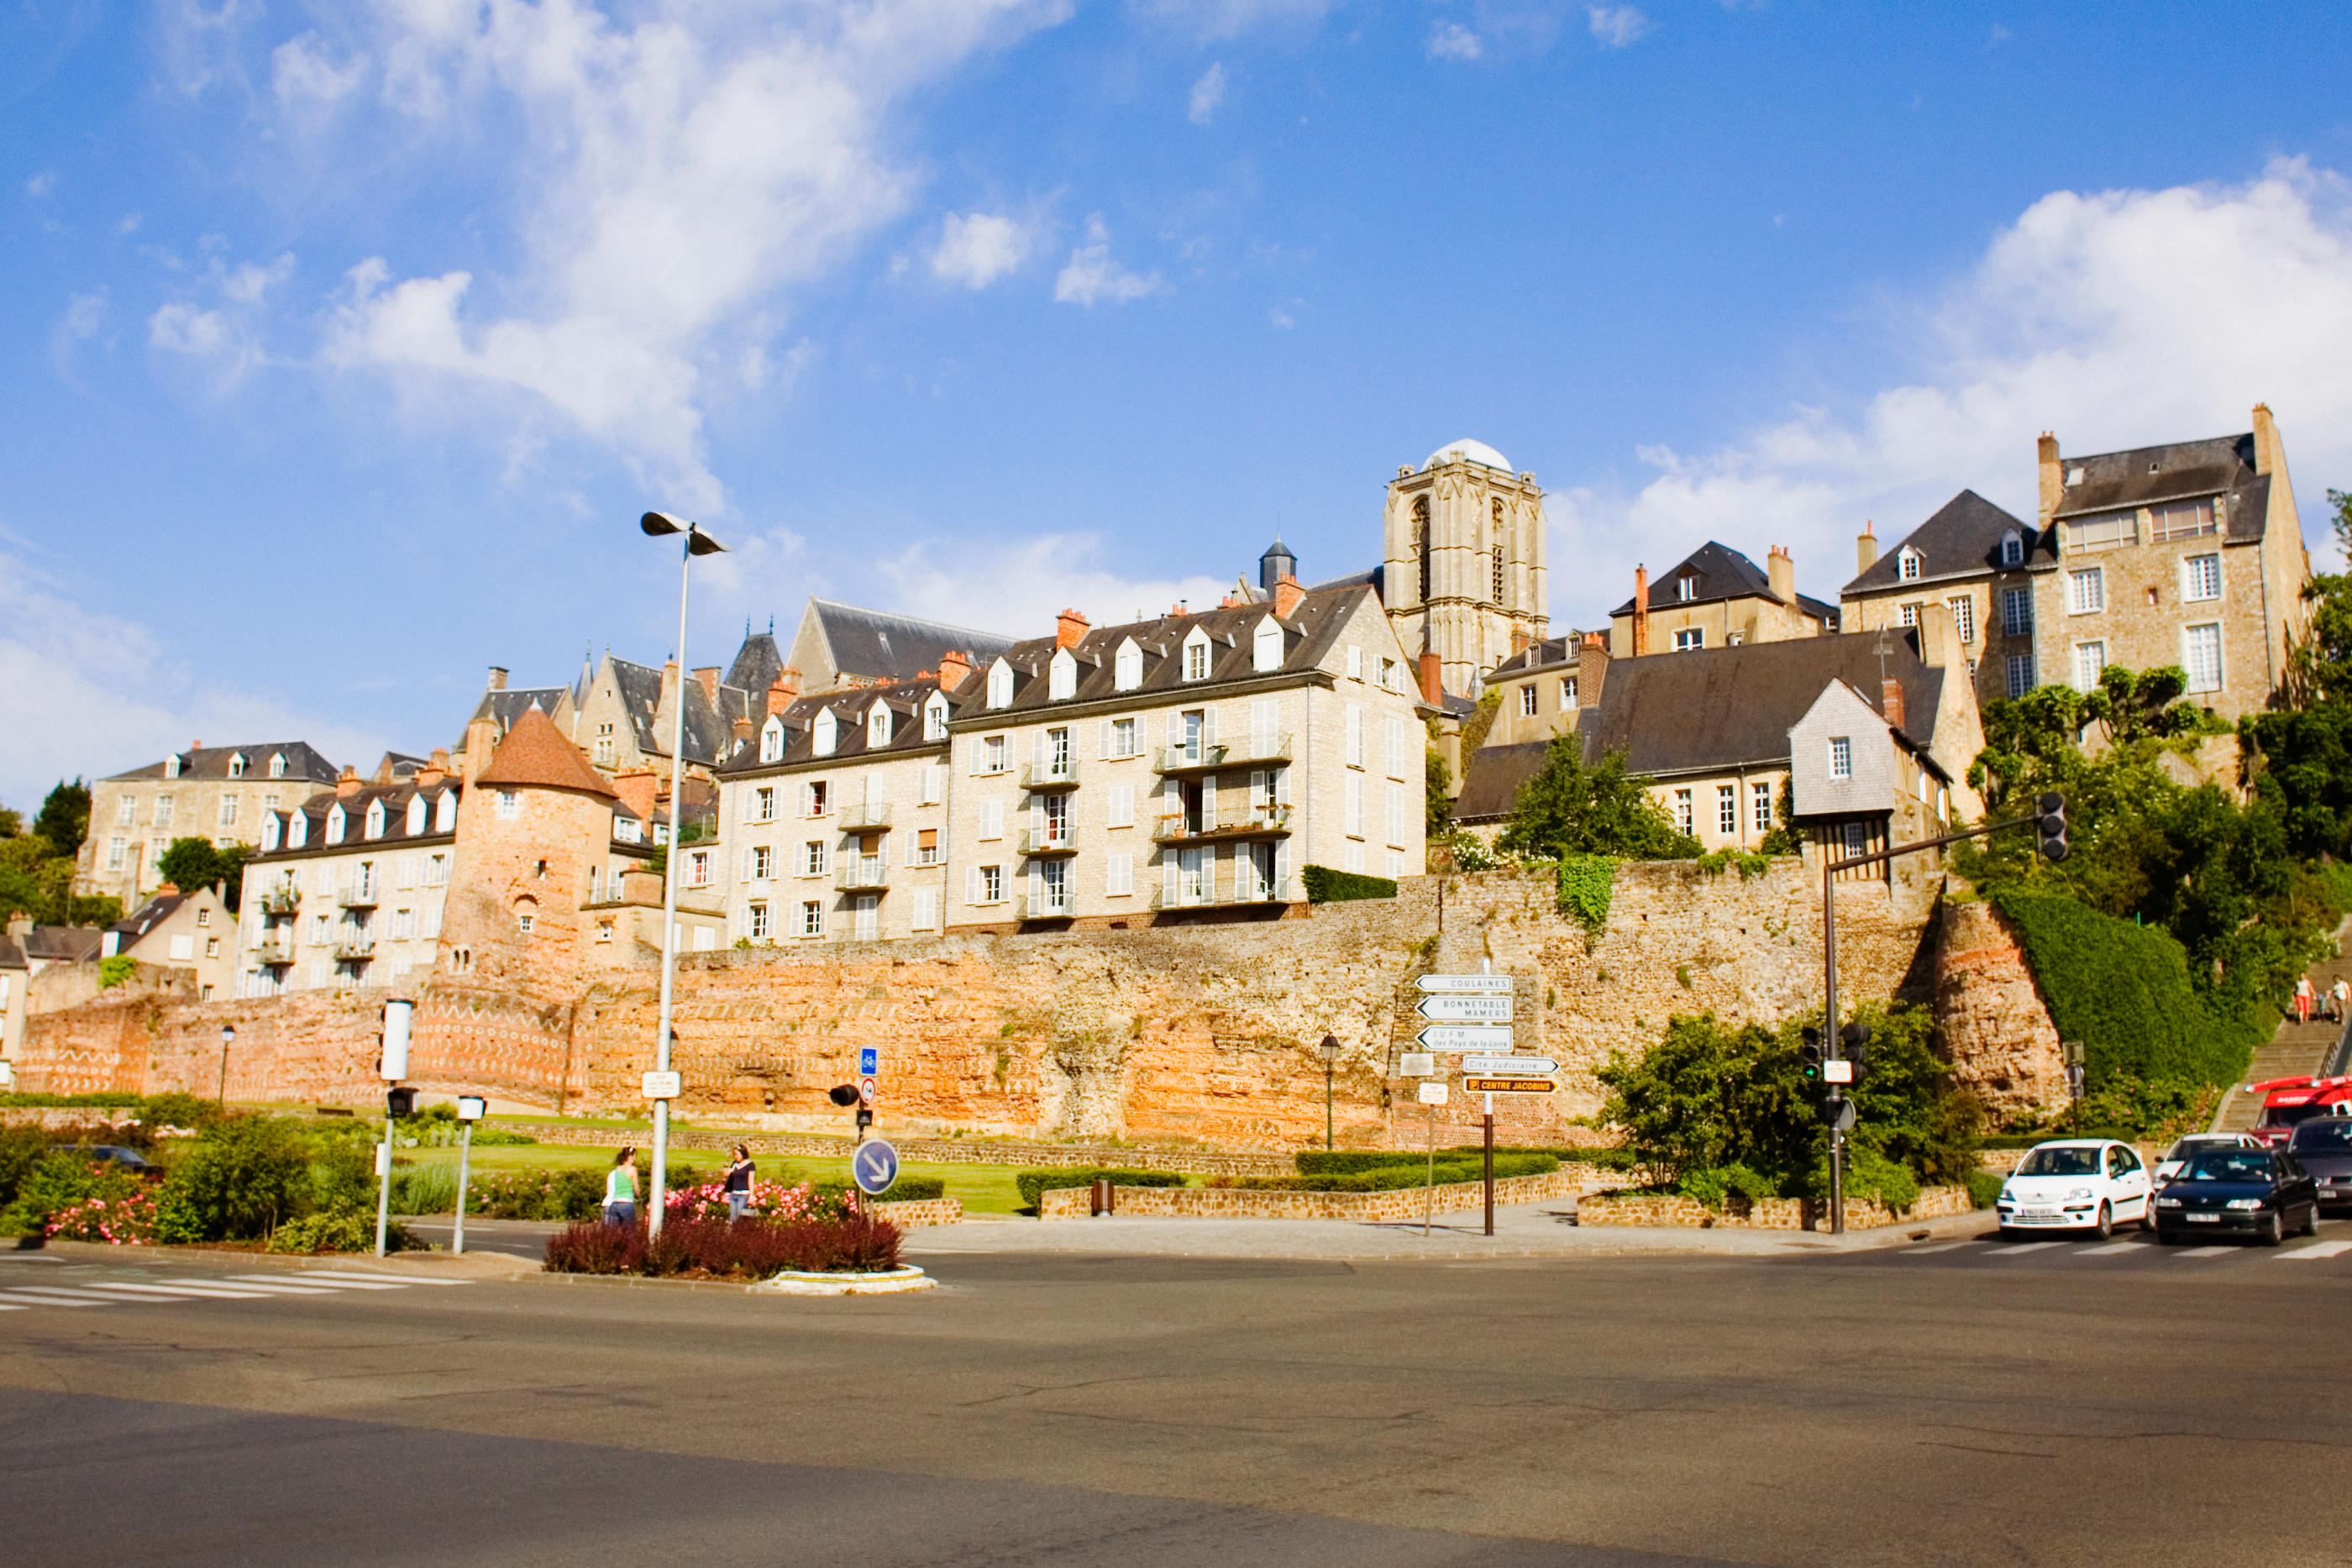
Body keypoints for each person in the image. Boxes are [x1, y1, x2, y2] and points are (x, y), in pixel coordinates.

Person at [603, 1146, 638, 1226]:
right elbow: (636, 1188)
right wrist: (638, 1195)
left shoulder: (618, 1169)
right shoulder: (632, 1169)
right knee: (628, 1232)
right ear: (631, 1157)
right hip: (627, 1203)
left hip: (615, 1202)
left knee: (614, 1232)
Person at [723, 1143, 756, 1221]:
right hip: (734, 1194)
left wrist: (751, 1195)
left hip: (743, 1195)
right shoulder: (735, 1164)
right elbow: (726, 1174)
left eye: (737, 1155)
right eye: (734, 1155)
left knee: (739, 1216)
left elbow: (751, 1180)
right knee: (733, 1218)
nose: (735, 1157)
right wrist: (726, 1163)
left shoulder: (750, 1165)